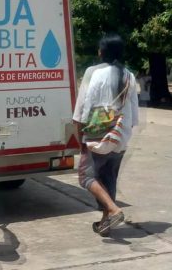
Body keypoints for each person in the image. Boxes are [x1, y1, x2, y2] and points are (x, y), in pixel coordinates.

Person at [73, 34, 139, 236]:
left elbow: (86, 107)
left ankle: (114, 210)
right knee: (108, 179)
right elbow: (134, 114)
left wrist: (80, 132)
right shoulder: (130, 75)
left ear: (101, 53)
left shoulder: (96, 74)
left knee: (86, 177)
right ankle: (105, 224)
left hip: (98, 136)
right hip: (121, 135)